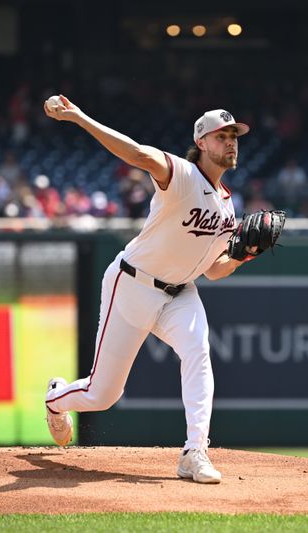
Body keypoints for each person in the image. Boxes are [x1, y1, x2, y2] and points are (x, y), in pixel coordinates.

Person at [43, 96, 253, 484]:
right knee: (102, 395)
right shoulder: (182, 174)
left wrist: (245, 256)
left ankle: (195, 452)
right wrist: (79, 116)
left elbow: (214, 271)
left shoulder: (227, 208)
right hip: (133, 285)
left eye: (234, 135)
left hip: (181, 293)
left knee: (198, 352)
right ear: (202, 142)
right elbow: (138, 154)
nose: (231, 142)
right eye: (222, 135)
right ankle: (55, 398)